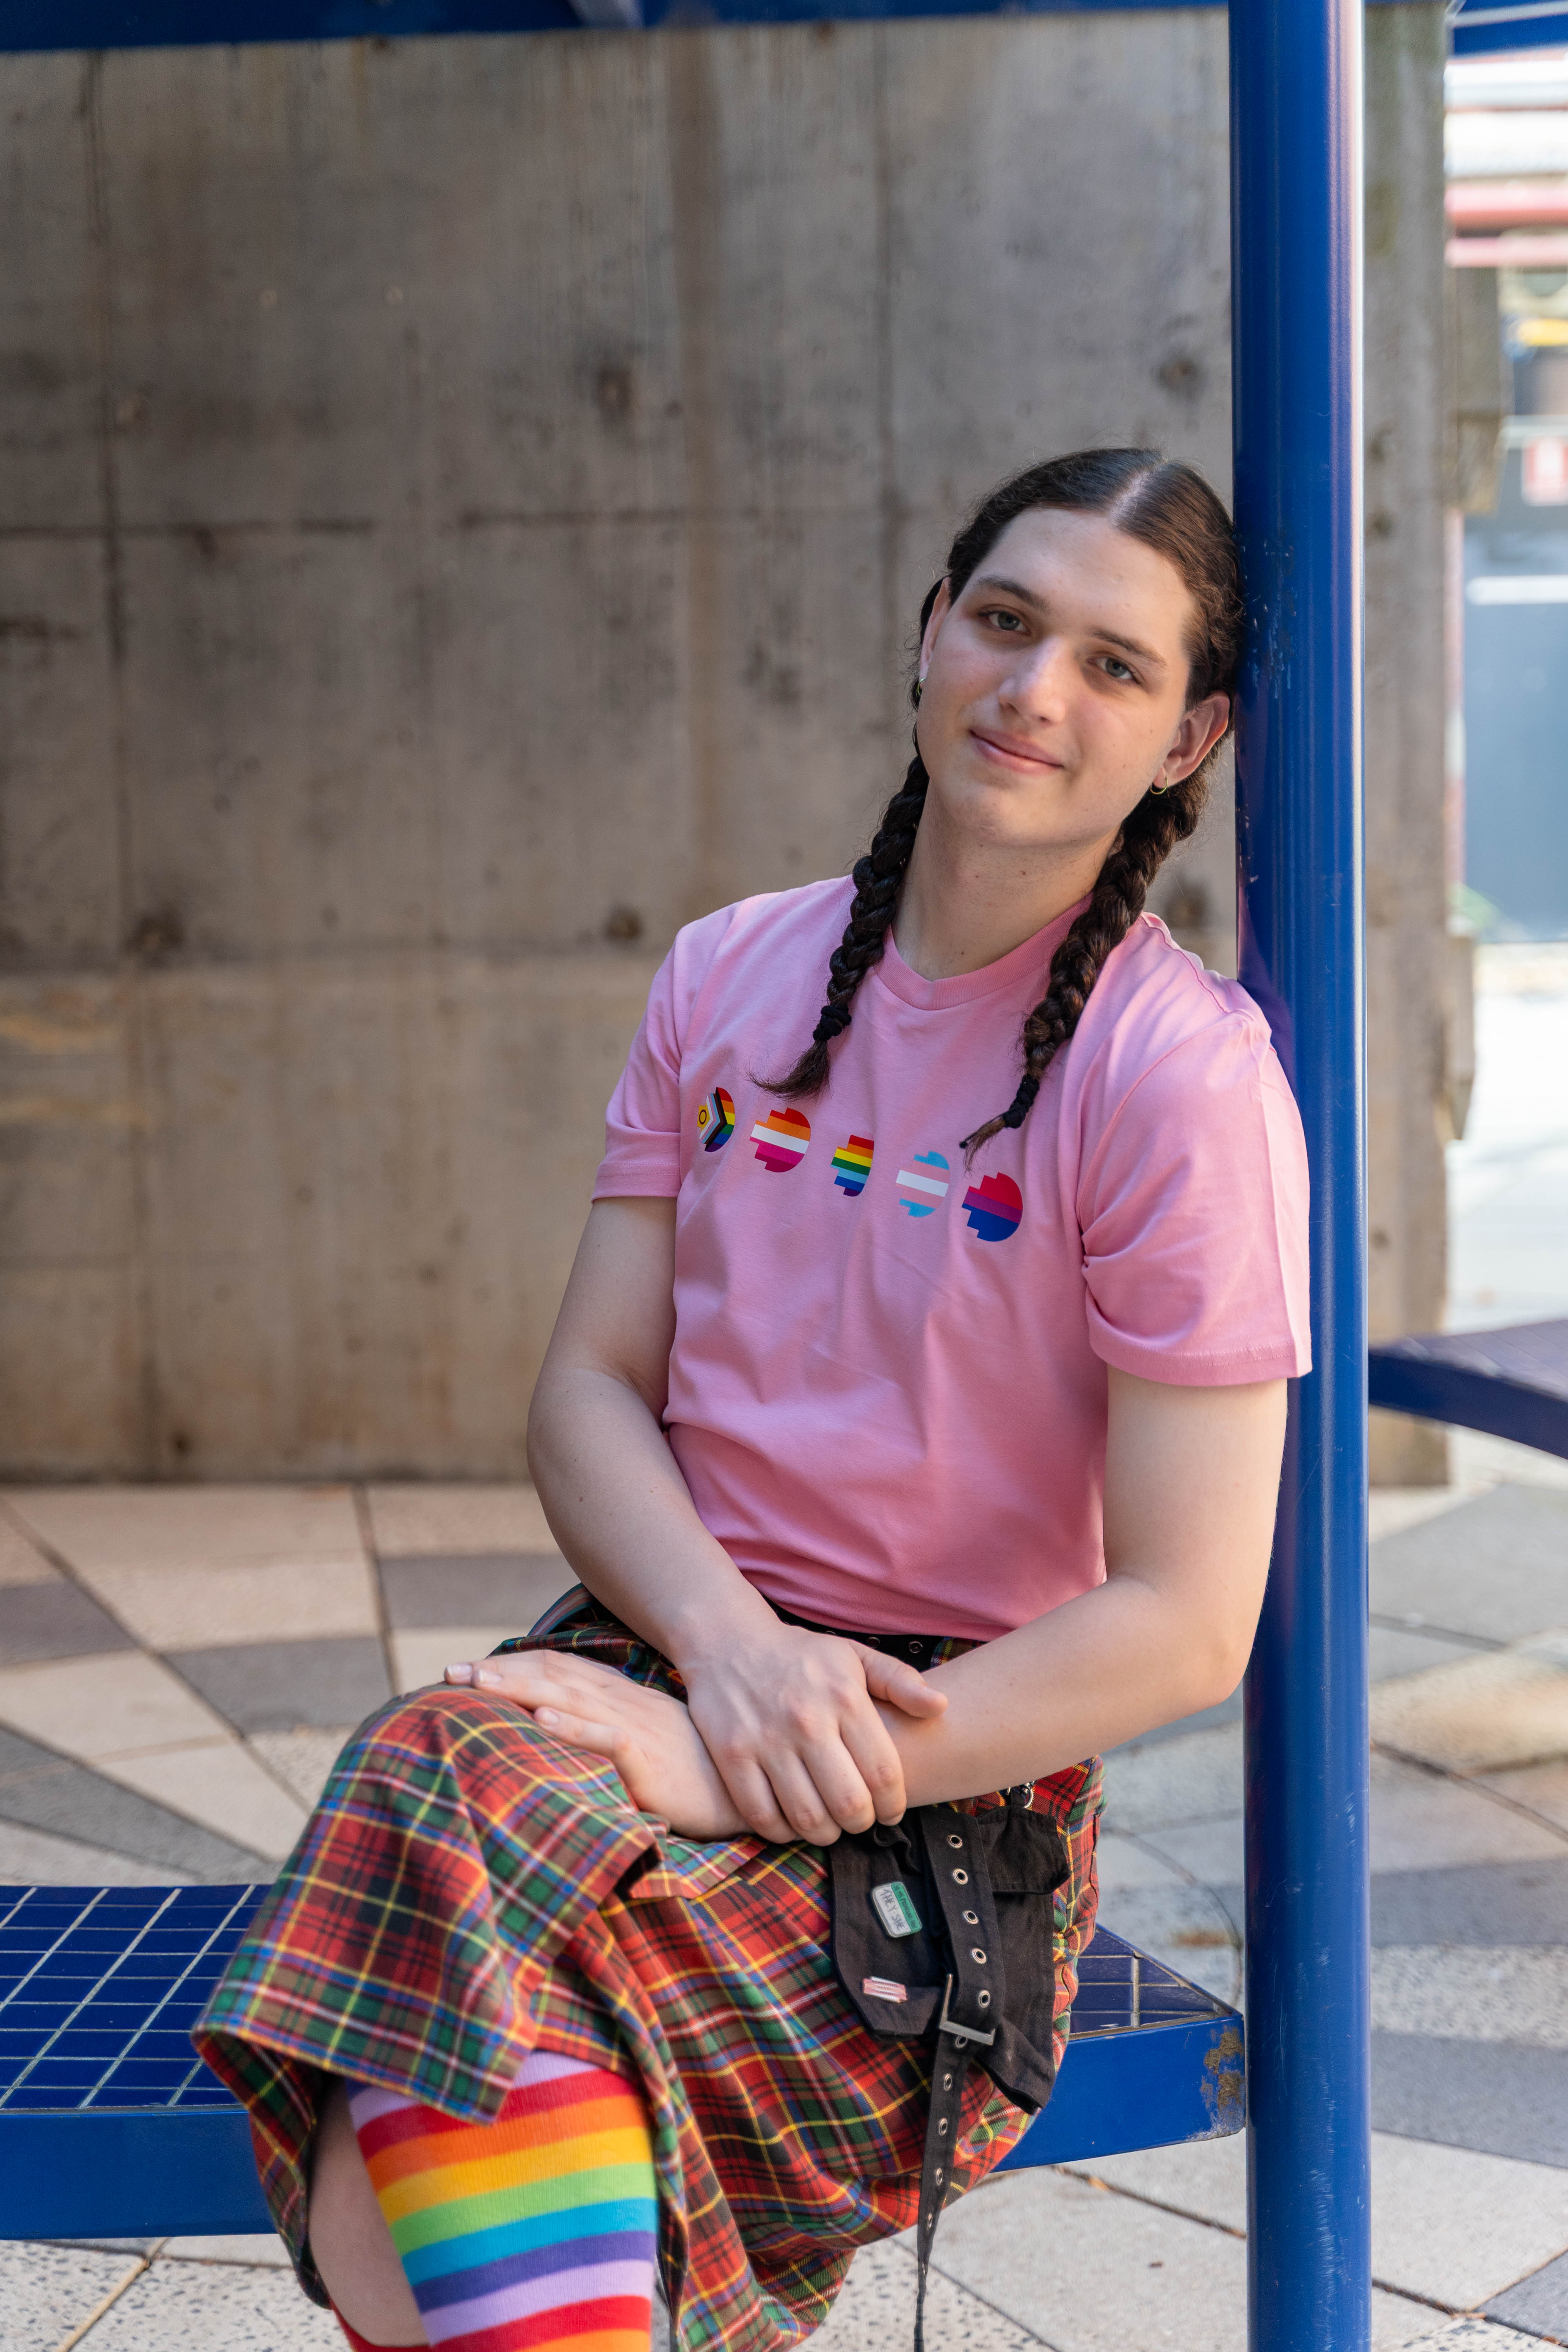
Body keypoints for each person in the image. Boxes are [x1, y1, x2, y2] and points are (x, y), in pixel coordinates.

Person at [196, 447, 1309, 2352]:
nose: (1035, 688)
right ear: (929, 630)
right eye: (1005, 619)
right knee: (447, 1832)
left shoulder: (1177, 1079)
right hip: (664, 1654)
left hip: (935, 1790)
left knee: (410, 2065)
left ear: (1188, 739)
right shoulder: (731, 971)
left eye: (1114, 666)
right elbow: (588, 1391)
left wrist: (741, 1760)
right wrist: (723, 1660)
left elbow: (1189, 1619)